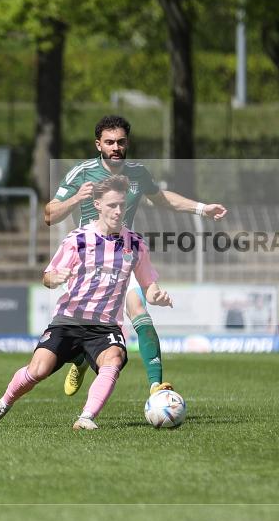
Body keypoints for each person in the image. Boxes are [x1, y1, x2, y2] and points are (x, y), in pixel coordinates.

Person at [44, 115, 227, 398]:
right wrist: (76, 199)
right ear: (98, 145)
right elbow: (50, 215)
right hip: (88, 262)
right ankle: (80, 358)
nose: (115, 147)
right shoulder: (80, 173)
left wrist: (202, 209)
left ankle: (156, 386)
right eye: (109, 142)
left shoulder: (138, 174)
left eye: (120, 142)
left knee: (140, 312)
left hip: (121, 256)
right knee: (89, 323)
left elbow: (162, 199)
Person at [0, 175, 173, 431]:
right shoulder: (77, 240)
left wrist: (155, 295)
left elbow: (148, 284)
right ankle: (4, 402)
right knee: (38, 370)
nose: (118, 211)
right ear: (98, 205)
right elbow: (47, 276)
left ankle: (86, 417)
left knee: (113, 359)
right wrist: (55, 278)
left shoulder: (134, 244)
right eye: (112, 205)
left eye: (122, 205)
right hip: (68, 321)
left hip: (105, 327)